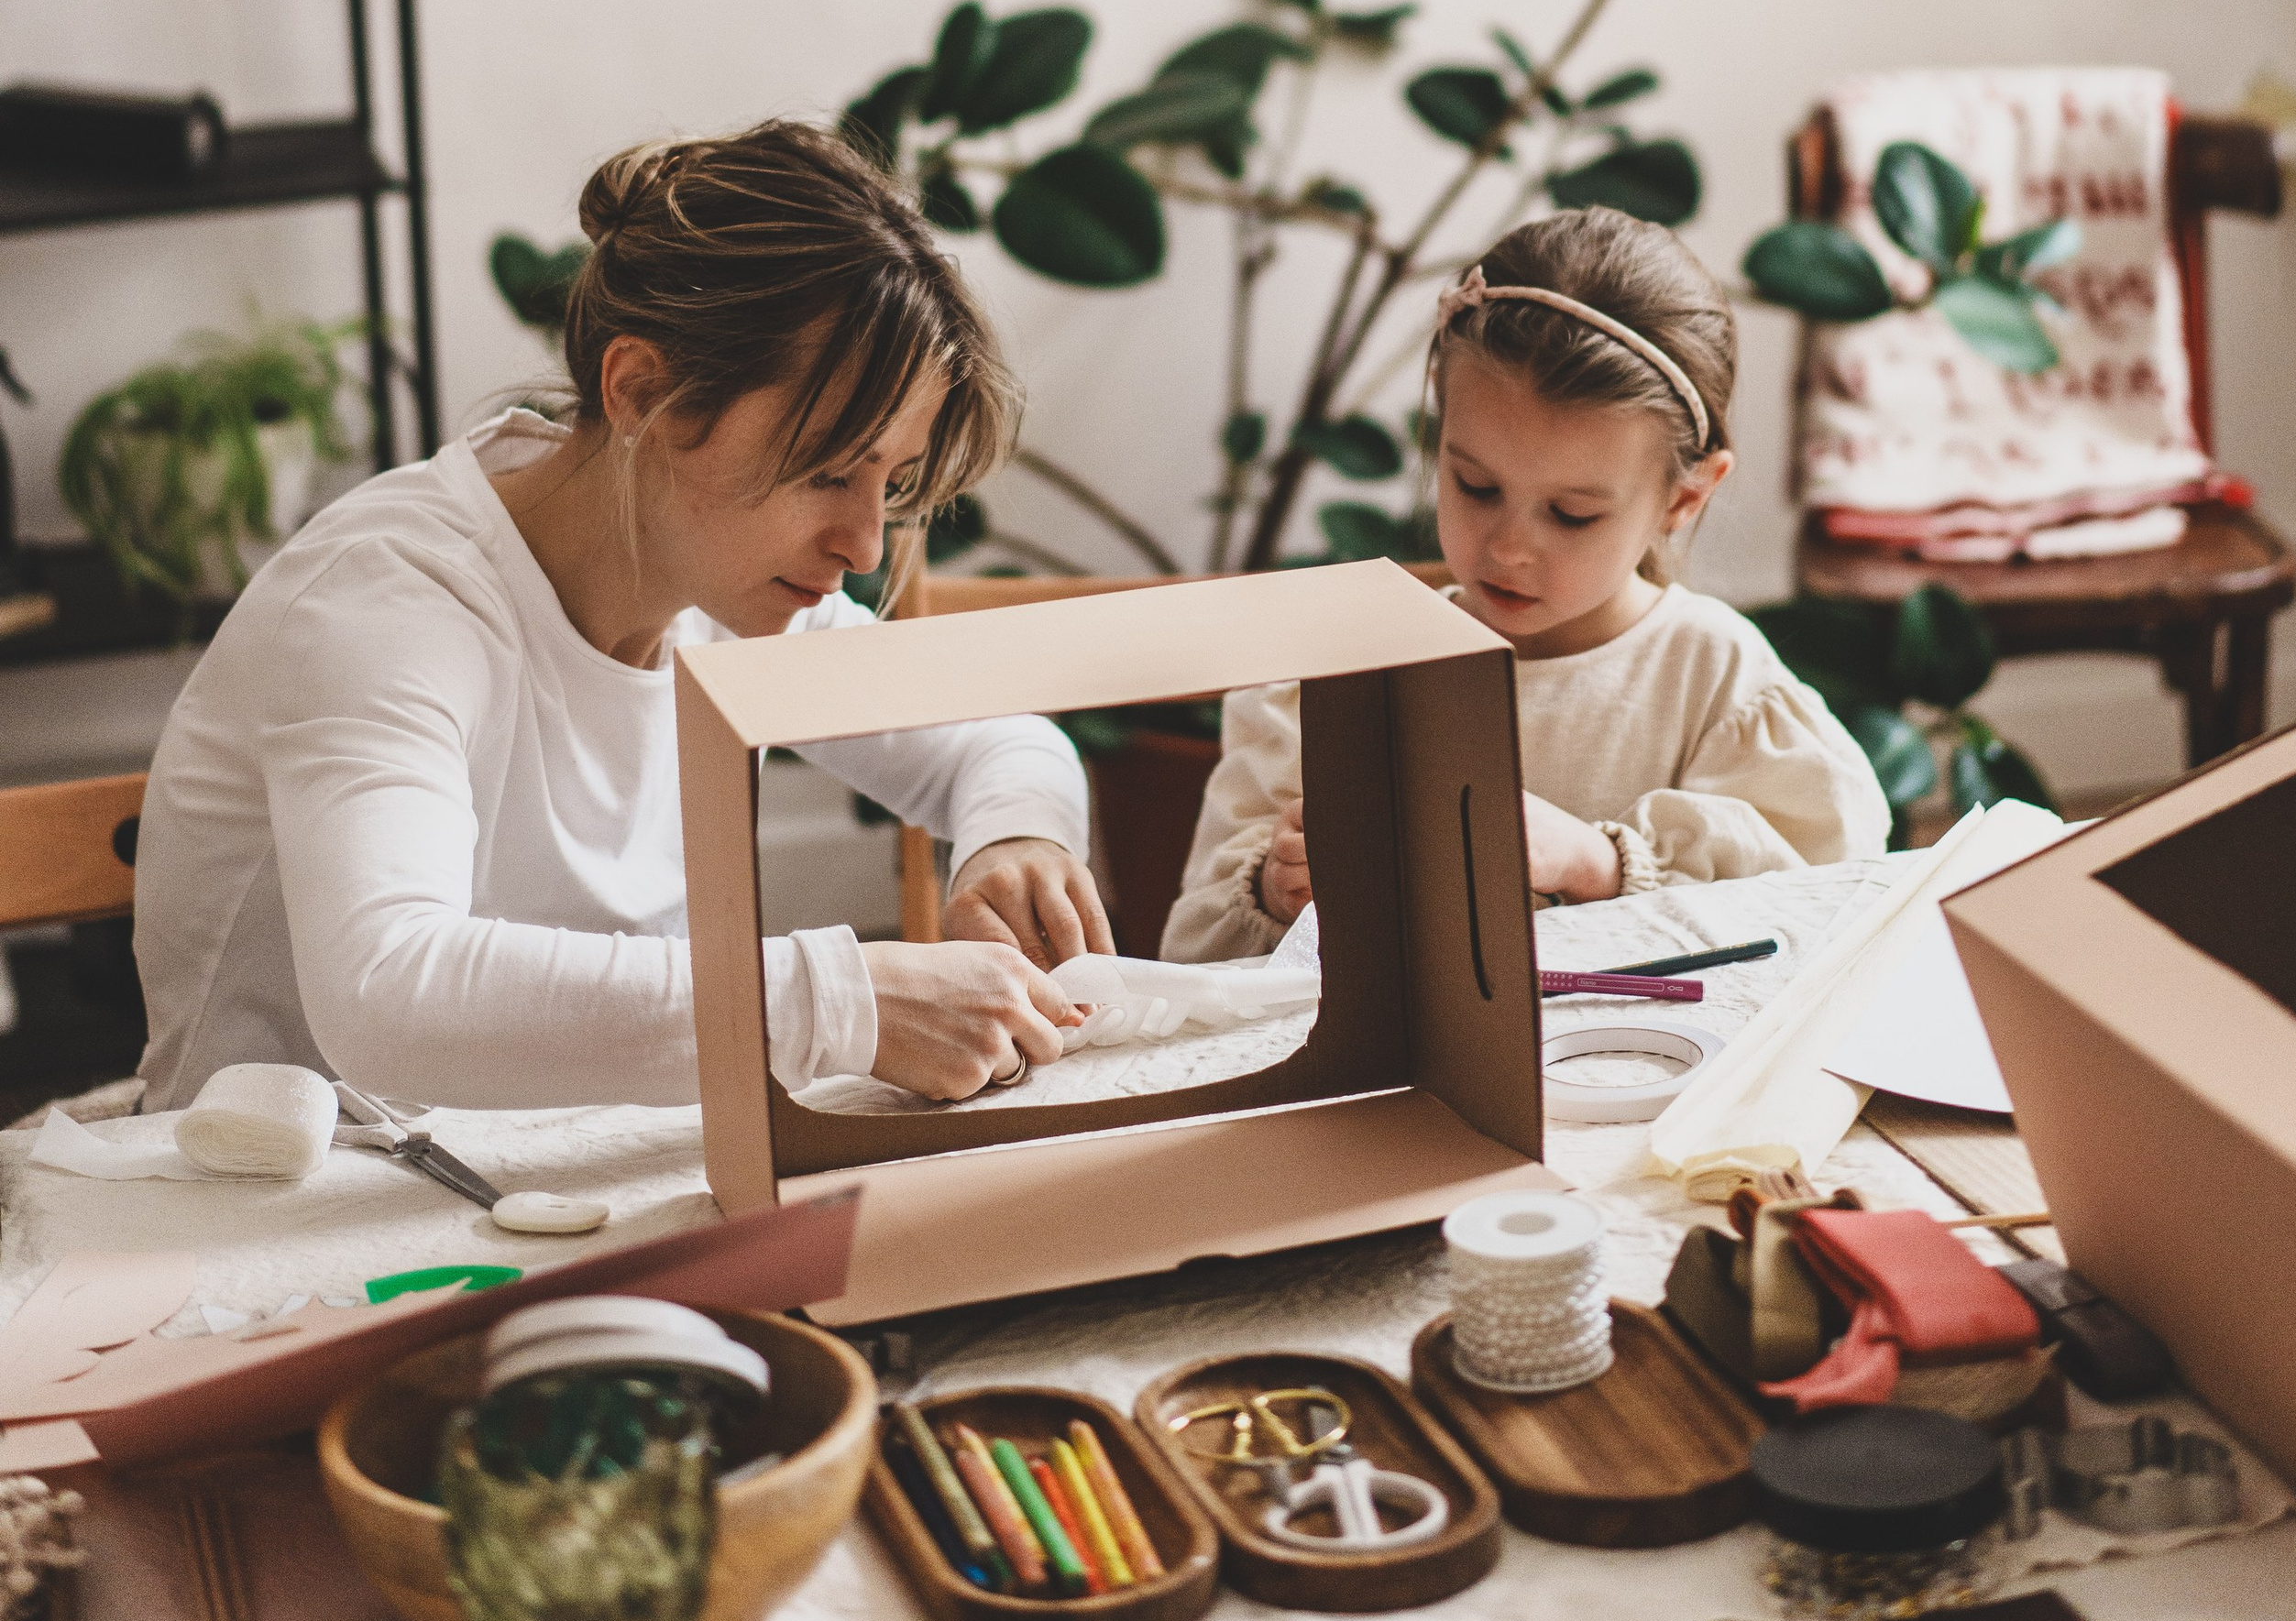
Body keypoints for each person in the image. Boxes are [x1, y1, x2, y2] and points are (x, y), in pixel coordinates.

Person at [136, 121, 1110, 1112]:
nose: (863, 545)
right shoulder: (388, 604)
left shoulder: (721, 588)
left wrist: (1015, 842)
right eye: (825, 470)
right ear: (641, 390)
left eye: (889, 480)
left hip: (562, 1178)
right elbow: (390, 993)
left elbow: (997, 747)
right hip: (279, 1205)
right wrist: (840, 1000)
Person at [1162, 207, 1888, 959]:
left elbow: (1824, 922)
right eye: (1475, 485)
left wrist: (1602, 867)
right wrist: (1275, 893)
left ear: (1684, 499)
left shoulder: (1715, 683)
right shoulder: (1343, 674)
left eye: (1572, 515)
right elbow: (1193, 949)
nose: (1509, 549)